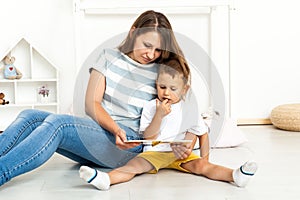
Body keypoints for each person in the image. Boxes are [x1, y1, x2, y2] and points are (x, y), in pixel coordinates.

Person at [0, 10, 189, 186]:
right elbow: (91, 104)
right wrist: (114, 129)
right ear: (133, 33)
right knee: (30, 117)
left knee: (58, 124)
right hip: (100, 134)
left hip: (129, 143)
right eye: (147, 45)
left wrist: (181, 142)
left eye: (157, 50)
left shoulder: (160, 71)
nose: (151, 54)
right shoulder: (108, 57)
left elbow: (176, 101)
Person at [79, 59, 258, 190]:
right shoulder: (151, 107)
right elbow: (148, 137)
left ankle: (235, 175)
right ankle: (106, 180)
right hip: (154, 153)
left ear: (184, 89)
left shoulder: (189, 109)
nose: (166, 93)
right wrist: (159, 114)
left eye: (173, 89)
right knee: (133, 167)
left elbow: (202, 134)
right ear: (156, 85)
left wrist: (204, 159)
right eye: (162, 87)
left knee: (203, 168)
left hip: (179, 156)